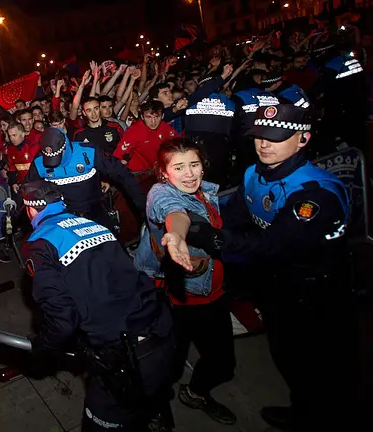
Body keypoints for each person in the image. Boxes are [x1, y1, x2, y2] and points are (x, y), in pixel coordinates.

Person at [179, 105, 358, 431]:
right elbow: (235, 219)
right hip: (276, 283)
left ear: (303, 138)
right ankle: (302, 409)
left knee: (321, 366)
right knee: (286, 354)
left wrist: (213, 239)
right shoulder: (254, 174)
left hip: (316, 291)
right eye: (260, 136)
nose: (264, 144)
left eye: (276, 138)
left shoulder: (315, 194)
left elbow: (273, 243)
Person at [21, 180, 174, 431]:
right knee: (149, 403)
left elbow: (62, 320)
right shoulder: (94, 225)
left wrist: (42, 347)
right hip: (161, 331)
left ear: (31, 210)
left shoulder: (39, 245)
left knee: (99, 423)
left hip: (126, 355)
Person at [133, 138, 236, 425]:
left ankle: (195, 392)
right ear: (164, 173)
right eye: (179, 167)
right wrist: (177, 235)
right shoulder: (160, 194)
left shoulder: (206, 191)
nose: (189, 173)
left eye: (194, 164)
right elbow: (176, 213)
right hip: (181, 300)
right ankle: (153, 408)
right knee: (167, 366)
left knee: (222, 363)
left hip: (213, 293)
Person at [26, 127, 146, 236]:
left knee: (115, 250)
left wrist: (141, 204)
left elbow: (122, 174)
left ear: (66, 146)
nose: (55, 162)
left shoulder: (88, 151)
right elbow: (28, 191)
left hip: (94, 213)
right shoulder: (39, 162)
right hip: (64, 219)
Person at [113, 101, 178, 172]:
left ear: (162, 116)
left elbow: (180, 146)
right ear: (142, 117)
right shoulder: (134, 131)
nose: (153, 122)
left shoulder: (165, 128)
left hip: (157, 170)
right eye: (148, 117)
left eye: (157, 117)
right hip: (137, 173)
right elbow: (118, 155)